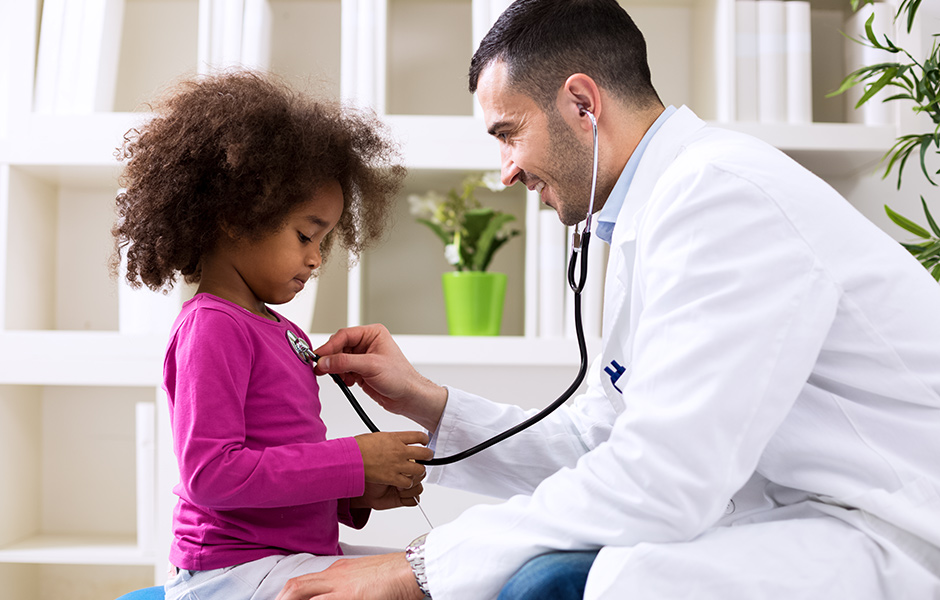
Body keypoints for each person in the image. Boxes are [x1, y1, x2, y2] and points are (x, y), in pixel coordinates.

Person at [277, 0, 940, 598]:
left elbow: (663, 474)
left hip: (898, 530)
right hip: (815, 516)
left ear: (583, 103)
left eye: (508, 132)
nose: (506, 170)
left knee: (612, 581)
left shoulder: (721, 197)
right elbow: (607, 440)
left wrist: (423, 567)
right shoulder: (658, 210)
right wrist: (429, 402)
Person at [111, 70, 433, 600]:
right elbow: (212, 475)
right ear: (238, 217)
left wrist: (357, 491)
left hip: (287, 557)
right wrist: (352, 459)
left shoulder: (279, 329)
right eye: (306, 234)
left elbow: (280, 465)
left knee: (445, 573)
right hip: (231, 572)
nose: (314, 259)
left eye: (324, 242)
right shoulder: (211, 327)